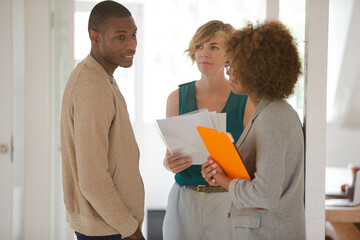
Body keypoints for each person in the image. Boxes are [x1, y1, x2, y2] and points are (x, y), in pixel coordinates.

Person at [202, 20, 306, 239]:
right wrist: (220, 171)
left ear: (257, 69)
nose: (229, 72)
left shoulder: (274, 117)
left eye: (235, 65)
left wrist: (222, 180)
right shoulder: (268, 111)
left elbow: (265, 195)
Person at [162, 20, 255, 240]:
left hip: (227, 200)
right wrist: (169, 164)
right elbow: (168, 158)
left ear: (230, 54)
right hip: (184, 200)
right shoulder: (176, 98)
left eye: (214, 47)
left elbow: (252, 163)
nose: (204, 53)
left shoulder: (246, 101)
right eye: (199, 46)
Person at [60, 1, 145, 239]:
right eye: (120, 37)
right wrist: (132, 231)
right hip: (109, 230)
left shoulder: (99, 76)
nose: (131, 45)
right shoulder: (93, 86)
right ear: (94, 37)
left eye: (133, 35)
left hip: (111, 226)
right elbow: (93, 179)